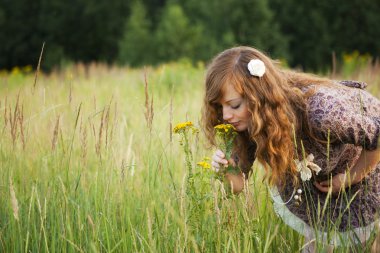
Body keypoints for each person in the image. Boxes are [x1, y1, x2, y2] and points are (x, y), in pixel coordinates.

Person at [201, 46, 380, 252]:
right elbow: (237, 186)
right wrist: (227, 169)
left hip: (369, 165)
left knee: (366, 245)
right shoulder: (249, 123)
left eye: (234, 105)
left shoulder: (321, 114)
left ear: (259, 98)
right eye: (219, 106)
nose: (225, 116)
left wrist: (350, 177)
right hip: (329, 181)